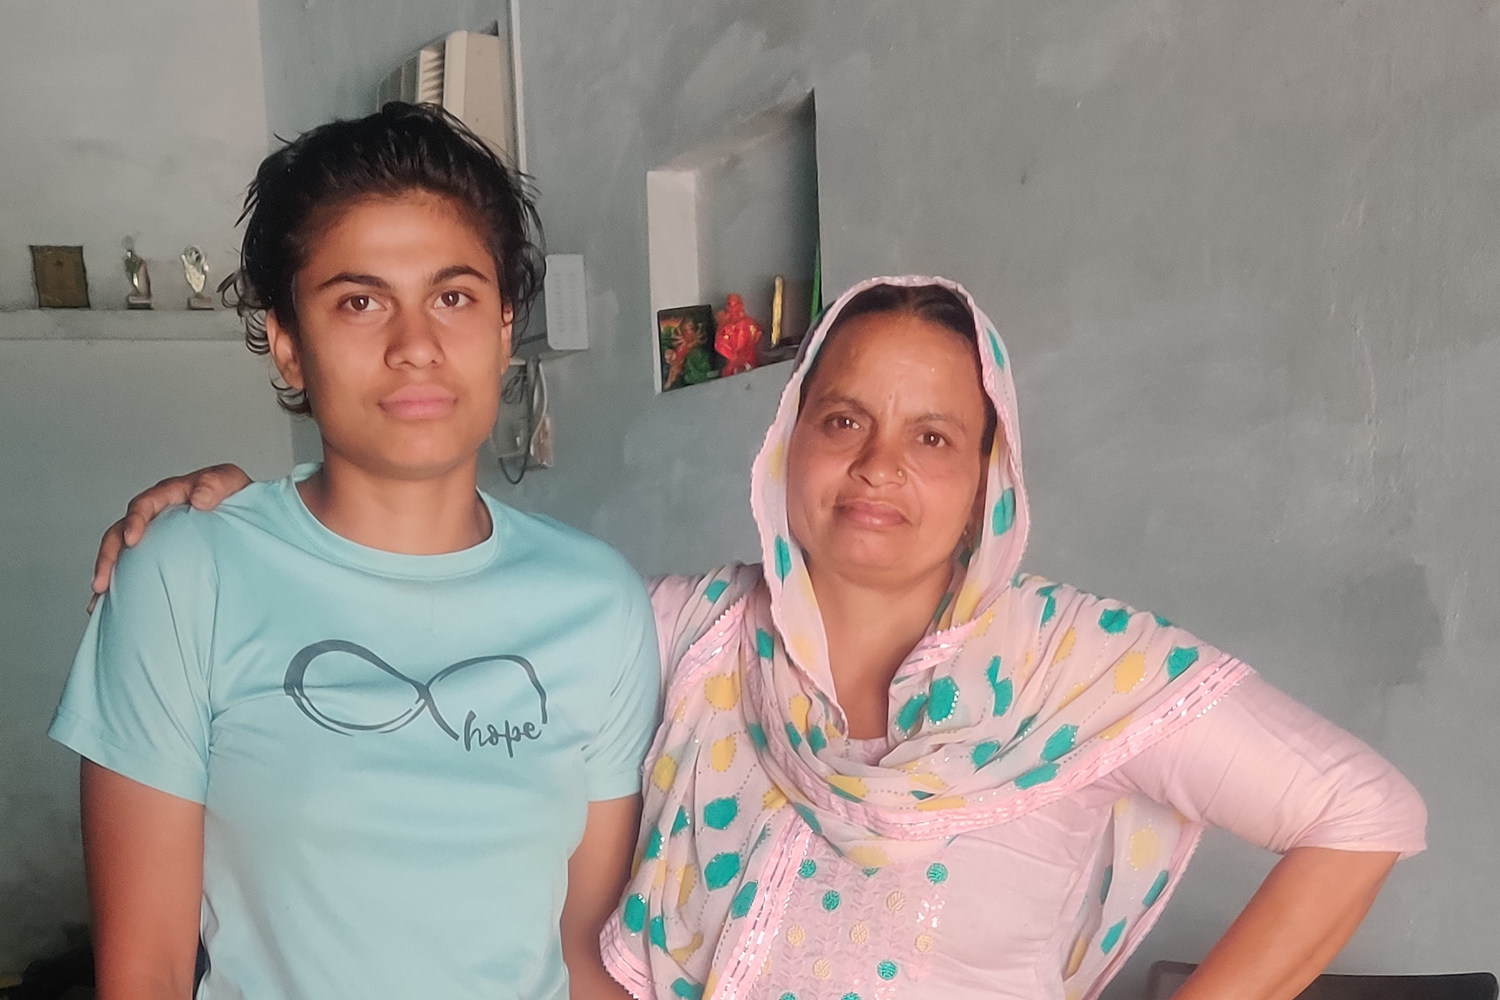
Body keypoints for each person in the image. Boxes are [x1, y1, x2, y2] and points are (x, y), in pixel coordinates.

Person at [91, 278, 1426, 1000]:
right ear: (790, 442)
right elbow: (457, 599)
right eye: (845, 421)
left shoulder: (1085, 671)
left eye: (935, 437)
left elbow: (1363, 809)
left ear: (990, 475)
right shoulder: (686, 635)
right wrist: (242, 518)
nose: (881, 471)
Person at [54, 103, 657, 1000]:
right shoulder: (186, 576)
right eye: (360, 301)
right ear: (290, 344)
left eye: (453, 297)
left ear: (503, 331)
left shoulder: (600, 603)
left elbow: (579, 959)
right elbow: (144, 974)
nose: (415, 346)